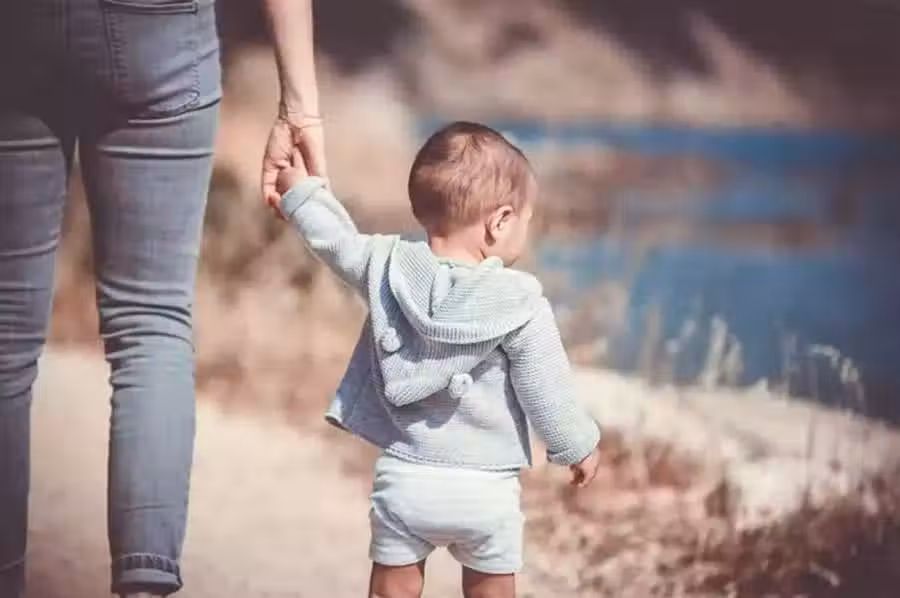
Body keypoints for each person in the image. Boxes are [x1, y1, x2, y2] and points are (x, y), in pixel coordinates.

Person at [0, 0, 324, 596]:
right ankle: (145, 586)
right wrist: (299, 106)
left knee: (4, 335)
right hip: (159, 29)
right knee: (152, 325)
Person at [272, 121, 603, 598]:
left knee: (392, 590)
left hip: (407, 477)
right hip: (486, 487)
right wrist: (577, 446)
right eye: (527, 221)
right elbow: (546, 388)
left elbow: (336, 242)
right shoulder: (519, 301)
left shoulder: (386, 265)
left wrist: (300, 192)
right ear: (499, 221)